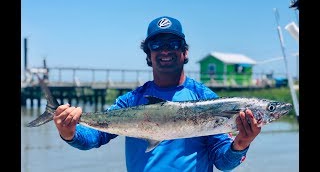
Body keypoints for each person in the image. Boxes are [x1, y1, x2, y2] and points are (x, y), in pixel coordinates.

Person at [53, 16, 261, 171]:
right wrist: (69, 133)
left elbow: (224, 162)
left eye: (173, 43)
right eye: (157, 44)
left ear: (184, 51)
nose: (165, 50)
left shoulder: (206, 100)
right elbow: (94, 137)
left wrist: (241, 143)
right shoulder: (131, 101)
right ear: (149, 54)